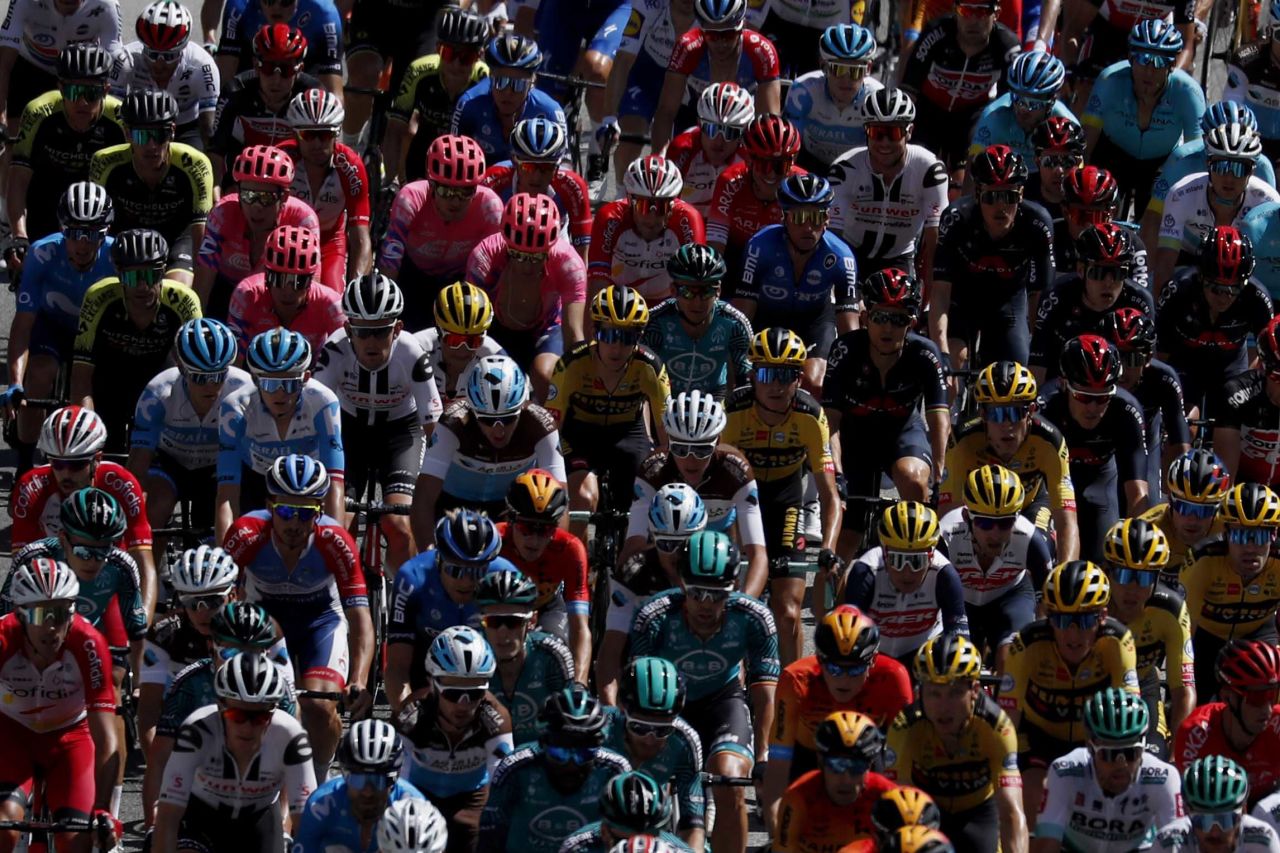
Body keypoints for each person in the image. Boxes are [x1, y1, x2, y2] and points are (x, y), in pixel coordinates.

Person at [222, 453, 372, 773]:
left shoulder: (336, 540)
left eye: (305, 514)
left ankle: (319, 774)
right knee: (255, 700)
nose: (294, 523)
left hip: (320, 620)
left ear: (319, 512)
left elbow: (360, 617)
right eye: (286, 511)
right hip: (264, 622)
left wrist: (358, 679)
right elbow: (222, 602)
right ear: (269, 506)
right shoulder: (246, 533)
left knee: (319, 706)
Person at [630, 530, 779, 853]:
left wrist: (765, 755)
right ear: (682, 583)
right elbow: (640, 689)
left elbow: (766, 694)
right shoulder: (654, 616)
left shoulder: (754, 617)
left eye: (717, 594)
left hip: (721, 701)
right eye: (696, 593)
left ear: (734, 588)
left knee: (729, 781)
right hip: (665, 707)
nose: (705, 605)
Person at [724, 328, 841, 660]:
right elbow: (716, 483)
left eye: (786, 375)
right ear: (752, 375)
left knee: (788, 610)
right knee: (729, 601)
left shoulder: (810, 415)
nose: (775, 385)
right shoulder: (733, 410)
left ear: (799, 379)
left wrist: (828, 551)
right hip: (739, 501)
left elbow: (829, 495)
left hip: (785, 503)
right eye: (766, 373)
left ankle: (790, 696)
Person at [313, 274, 441, 572]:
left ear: (397, 329)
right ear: (348, 328)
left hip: (399, 434)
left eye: (381, 332)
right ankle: (344, 594)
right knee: (340, 523)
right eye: (362, 331)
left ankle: (401, 598)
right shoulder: (334, 349)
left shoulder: (411, 352)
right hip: (349, 433)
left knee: (398, 524)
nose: (371, 342)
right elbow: (314, 413)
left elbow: (433, 427)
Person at [999, 561, 1140, 822]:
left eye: (1085, 620)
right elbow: (1008, 717)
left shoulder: (1117, 641)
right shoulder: (1027, 644)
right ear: (1048, 617)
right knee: (1034, 794)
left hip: (1096, 739)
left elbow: (1129, 713)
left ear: (1102, 617)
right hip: (1040, 737)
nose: (1072, 634)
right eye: (1062, 620)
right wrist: (1004, 771)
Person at [822, 268, 948, 556]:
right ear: (866, 319)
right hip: (855, 441)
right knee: (846, 538)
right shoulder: (845, 350)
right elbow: (831, 421)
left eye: (898, 319)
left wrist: (940, 477)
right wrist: (836, 473)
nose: (887, 328)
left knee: (914, 480)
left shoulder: (925, 355)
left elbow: (939, 418)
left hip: (902, 435)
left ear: (912, 323)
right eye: (880, 317)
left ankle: (912, 562)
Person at [142, 600, 295, 828]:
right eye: (231, 651)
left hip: (259, 800)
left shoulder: (278, 689)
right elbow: (160, 759)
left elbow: (291, 766)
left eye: (253, 652)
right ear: (212, 646)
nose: (241, 661)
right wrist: (154, 823)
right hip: (202, 796)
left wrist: (284, 825)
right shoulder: (189, 683)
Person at [0, 559, 118, 853]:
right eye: (41, 614)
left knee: (75, 841)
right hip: (11, 736)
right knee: (4, 828)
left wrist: (103, 809)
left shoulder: (89, 642)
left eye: (61, 613)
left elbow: (106, 736)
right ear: (20, 614)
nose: (52, 626)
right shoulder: (3, 638)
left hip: (71, 739)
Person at [153, 651, 317, 853]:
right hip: (202, 816)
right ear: (221, 706)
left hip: (259, 818)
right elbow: (168, 818)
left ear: (273, 711)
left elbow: (308, 826)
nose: (247, 727)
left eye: (260, 718)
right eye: (237, 715)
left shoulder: (291, 736)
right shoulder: (198, 730)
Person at [764, 606, 913, 827]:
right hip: (809, 757)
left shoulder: (893, 677)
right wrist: (776, 825)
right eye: (834, 669)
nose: (844, 679)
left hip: (867, 756)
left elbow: (905, 758)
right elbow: (778, 761)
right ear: (820, 661)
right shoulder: (796, 680)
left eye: (854, 670)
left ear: (872, 662)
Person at [4, 182, 115, 469]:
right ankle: (26, 464)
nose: (83, 244)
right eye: (74, 234)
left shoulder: (118, 258)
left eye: (93, 234)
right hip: (51, 325)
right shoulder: (42, 254)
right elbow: (23, 325)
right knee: (38, 375)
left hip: (95, 332)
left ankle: (85, 459)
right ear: (62, 229)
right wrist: (15, 384)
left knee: (87, 389)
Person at [547, 286, 670, 541]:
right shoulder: (571, 365)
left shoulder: (650, 367)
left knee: (643, 495)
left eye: (627, 338)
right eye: (609, 335)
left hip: (627, 433)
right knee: (583, 497)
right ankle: (579, 568)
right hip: (580, 435)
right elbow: (551, 430)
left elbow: (667, 438)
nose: (616, 347)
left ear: (639, 338)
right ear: (595, 332)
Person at [10, 406, 158, 613]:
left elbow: (144, 562)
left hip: (108, 576)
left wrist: (143, 621)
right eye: (58, 464)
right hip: (55, 579)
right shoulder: (30, 488)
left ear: (97, 459)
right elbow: (22, 567)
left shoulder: (121, 483)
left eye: (77, 465)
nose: (65, 474)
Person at [622, 390, 768, 600]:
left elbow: (757, 555)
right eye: (680, 449)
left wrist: (743, 602)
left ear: (717, 442)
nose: (691, 460)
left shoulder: (735, 469)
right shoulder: (653, 469)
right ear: (669, 441)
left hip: (719, 537)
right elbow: (634, 547)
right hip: (670, 544)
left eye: (701, 450)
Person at [886, 633, 1026, 853]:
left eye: (955, 693)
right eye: (934, 693)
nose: (943, 707)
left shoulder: (996, 725)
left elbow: (1011, 812)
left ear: (974, 691)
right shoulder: (905, 727)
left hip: (978, 812)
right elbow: (897, 806)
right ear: (920, 692)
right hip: (926, 810)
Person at [70, 228, 202, 453]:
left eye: (151, 275)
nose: (142, 286)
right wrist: (87, 434)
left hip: (160, 377)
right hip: (111, 377)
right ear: (119, 274)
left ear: (163, 272)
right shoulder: (98, 298)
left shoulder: (183, 300)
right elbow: (81, 377)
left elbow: (196, 373)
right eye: (132, 277)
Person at [939, 361, 1081, 561]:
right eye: (997, 414)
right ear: (983, 415)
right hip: (981, 512)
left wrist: (1064, 579)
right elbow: (948, 516)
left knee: (1040, 551)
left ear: (1031, 411)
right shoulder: (963, 441)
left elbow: (1066, 521)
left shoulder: (1050, 442)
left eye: (1016, 412)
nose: (1007, 424)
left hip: (1029, 504)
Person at [731, 173, 859, 394]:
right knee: (752, 379)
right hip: (767, 318)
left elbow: (850, 331)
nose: (808, 227)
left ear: (827, 218)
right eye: (799, 217)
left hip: (814, 322)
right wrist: (738, 365)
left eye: (816, 218)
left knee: (814, 384)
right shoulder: (760, 246)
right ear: (784, 217)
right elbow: (741, 316)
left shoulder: (841, 256)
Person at [930, 145, 1055, 367]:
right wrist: (942, 355)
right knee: (953, 362)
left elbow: (1039, 297)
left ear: (1021, 195)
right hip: (962, 300)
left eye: (1009, 196)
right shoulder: (956, 219)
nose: (1001, 206)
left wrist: (1037, 354)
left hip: (1008, 303)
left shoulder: (1037, 223)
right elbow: (940, 293)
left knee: (1016, 377)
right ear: (977, 194)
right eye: (991, 197)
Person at [412, 355, 564, 536]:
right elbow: (424, 498)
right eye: (487, 420)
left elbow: (559, 499)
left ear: (522, 406)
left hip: (508, 511)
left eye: (508, 419)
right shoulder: (454, 422)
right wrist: (428, 555)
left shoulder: (541, 425)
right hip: (452, 506)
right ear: (472, 409)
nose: (498, 431)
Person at [386, 510, 520, 715]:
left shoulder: (505, 576)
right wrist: (407, 718)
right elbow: (398, 667)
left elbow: (517, 661)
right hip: (425, 662)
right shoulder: (412, 579)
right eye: (456, 570)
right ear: (439, 560)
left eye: (477, 571)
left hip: (485, 669)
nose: (467, 581)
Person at [214, 329, 343, 539]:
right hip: (256, 480)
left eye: (290, 383)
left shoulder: (324, 402)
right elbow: (227, 494)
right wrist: (226, 559)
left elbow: (335, 484)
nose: (280, 393)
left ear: (306, 378)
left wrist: (335, 541)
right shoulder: (235, 407)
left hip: (308, 484)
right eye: (270, 384)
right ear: (255, 380)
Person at [397, 625, 513, 851]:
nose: (464, 704)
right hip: (420, 795)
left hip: (471, 799)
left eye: (475, 693)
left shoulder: (496, 718)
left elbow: (503, 788)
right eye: (453, 693)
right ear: (433, 684)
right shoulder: (410, 717)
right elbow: (398, 787)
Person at [6, 44, 124, 266]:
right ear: (60, 88)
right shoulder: (38, 112)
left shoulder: (121, 118)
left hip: (101, 211)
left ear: (106, 90)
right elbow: (19, 178)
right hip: (46, 201)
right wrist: (19, 236)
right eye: (73, 92)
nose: (82, 102)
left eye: (91, 93)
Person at [481, 685, 631, 853]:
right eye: (559, 753)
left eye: (584, 754)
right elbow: (490, 832)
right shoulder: (515, 768)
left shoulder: (616, 770)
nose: (571, 764)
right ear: (542, 743)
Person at [595, 485, 710, 704]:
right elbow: (611, 652)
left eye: (685, 544)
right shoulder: (634, 573)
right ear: (652, 538)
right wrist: (611, 711)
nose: (676, 554)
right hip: (651, 676)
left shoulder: (715, 567)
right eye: (666, 544)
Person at [1038, 334, 1149, 561]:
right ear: (1064, 384)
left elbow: (1137, 494)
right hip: (1049, 486)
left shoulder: (1126, 410)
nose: (1093, 407)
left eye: (1102, 398)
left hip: (1098, 482)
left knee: (1106, 559)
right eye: (1083, 396)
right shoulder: (1046, 406)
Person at [88, 88, 214, 286]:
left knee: (178, 287)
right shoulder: (105, 162)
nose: (152, 145)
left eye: (160, 134)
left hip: (178, 238)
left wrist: (199, 301)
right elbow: (93, 225)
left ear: (172, 131)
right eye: (142, 136)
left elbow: (201, 234)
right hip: (126, 237)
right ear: (127, 133)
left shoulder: (194, 164)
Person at [467, 192, 587, 397]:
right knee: (495, 381)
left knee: (547, 377)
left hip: (545, 328)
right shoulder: (486, 255)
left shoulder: (569, 263)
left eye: (537, 257)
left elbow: (574, 334)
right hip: (496, 328)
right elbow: (470, 324)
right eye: (518, 255)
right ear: (506, 243)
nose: (527, 266)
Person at [378, 133, 503, 330]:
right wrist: (383, 310)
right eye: (446, 191)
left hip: (461, 282)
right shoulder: (410, 199)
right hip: (413, 278)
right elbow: (390, 261)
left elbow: (492, 271)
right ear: (432, 184)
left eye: (465, 192)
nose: (455, 201)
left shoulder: (490, 207)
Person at [1081, 19, 1205, 217]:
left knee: (1153, 223)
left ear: (1172, 64)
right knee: (1099, 215)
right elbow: (1085, 144)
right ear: (1130, 57)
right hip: (1113, 154)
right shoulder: (1110, 81)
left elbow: (1196, 155)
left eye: (1159, 63)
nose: (1149, 71)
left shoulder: (1188, 92)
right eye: (1143, 59)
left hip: (1160, 162)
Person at [1034, 687, 1182, 852]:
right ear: (1090, 748)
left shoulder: (1163, 778)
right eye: (1110, 755)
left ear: (1143, 749)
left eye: (1130, 753)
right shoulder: (1065, 773)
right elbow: (1046, 844)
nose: (1121, 764)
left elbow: (1176, 847)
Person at [938, 464, 1053, 673]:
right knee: (956, 662)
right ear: (967, 518)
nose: (996, 533)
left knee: (1012, 662)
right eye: (985, 523)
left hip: (1011, 597)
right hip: (961, 601)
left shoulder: (1028, 538)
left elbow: (1048, 599)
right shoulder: (946, 534)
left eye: (1006, 523)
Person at [828, 88, 948, 285]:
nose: (884, 143)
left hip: (899, 258)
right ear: (866, 130)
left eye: (892, 133)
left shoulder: (929, 169)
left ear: (909, 132)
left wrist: (930, 298)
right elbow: (832, 237)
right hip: (849, 253)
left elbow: (935, 240)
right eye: (877, 132)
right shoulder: (845, 168)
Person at [1155, 225, 1274, 419]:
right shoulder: (1179, 289)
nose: (1223, 297)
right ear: (1201, 277)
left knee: (1239, 417)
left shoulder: (1257, 297)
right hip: (1184, 363)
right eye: (1215, 287)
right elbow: (1160, 353)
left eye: (1233, 289)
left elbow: (1267, 357)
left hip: (1231, 365)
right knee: (1183, 418)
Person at [195, 143, 321, 321]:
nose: (256, 207)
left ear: (284, 197)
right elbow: (203, 284)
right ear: (238, 193)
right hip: (225, 289)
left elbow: (310, 290)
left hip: (277, 296)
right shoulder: (222, 213)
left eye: (266, 198)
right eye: (249, 196)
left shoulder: (303, 220)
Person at [1151, 123, 1280, 296]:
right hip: (1189, 254)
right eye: (1221, 166)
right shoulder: (1182, 194)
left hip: (1238, 268)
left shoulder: (1267, 200)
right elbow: (1165, 263)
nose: (1229, 177)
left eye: (1239, 168)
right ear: (1208, 165)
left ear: (1252, 171)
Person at [1179, 483, 1280, 702]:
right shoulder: (1203, 561)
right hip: (1208, 638)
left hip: (1259, 634)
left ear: (1274, 536)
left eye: (1261, 536)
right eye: (1242, 536)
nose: (1251, 548)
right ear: (1225, 534)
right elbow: (1186, 633)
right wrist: (1182, 687)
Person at [1101, 518, 1195, 753]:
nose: (1133, 589)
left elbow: (1183, 691)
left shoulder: (1170, 610)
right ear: (1108, 573)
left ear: (1157, 579)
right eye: (1124, 575)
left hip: (1144, 687)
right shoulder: (1089, 604)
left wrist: (1177, 754)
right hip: (1092, 688)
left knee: (1156, 759)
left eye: (1144, 578)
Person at [135, 545, 237, 753]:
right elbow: (149, 713)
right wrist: (159, 773)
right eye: (192, 602)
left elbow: (285, 704)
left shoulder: (257, 628)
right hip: (187, 725)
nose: (203, 612)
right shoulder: (164, 633)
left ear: (233, 595)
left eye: (214, 601)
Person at [899, 0, 1020, 175]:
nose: (972, 20)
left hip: (970, 116)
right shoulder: (936, 32)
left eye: (981, 12)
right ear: (956, 11)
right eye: (966, 11)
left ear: (997, 14)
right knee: (917, 168)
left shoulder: (1007, 45)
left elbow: (1007, 104)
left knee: (966, 173)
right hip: (929, 112)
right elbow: (909, 87)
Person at [841, 501, 970, 664]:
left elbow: (959, 638)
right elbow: (847, 637)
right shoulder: (866, 572)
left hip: (923, 656)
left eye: (918, 561)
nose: (907, 572)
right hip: (874, 655)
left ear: (931, 556)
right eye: (897, 559)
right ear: (885, 553)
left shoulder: (944, 574)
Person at [1141, 102, 1276, 255]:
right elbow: (1153, 217)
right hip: (1185, 246)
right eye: (1217, 138)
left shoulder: (1263, 167)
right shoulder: (1182, 159)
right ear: (1205, 137)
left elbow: (1267, 230)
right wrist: (1146, 273)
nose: (1230, 147)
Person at [648, 0, 781, 154]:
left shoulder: (761, 51)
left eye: (728, 34)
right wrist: (659, 158)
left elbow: (768, 121)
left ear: (742, 26)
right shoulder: (688, 47)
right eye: (712, 35)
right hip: (695, 116)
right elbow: (666, 111)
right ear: (702, 29)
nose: (720, 43)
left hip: (741, 125)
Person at [1028, 225, 1155, 385]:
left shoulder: (1140, 300)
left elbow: (1147, 368)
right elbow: (1037, 365)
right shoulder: (1056, 297)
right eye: (1098, 273)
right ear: (1081, 270)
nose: (1109, 283)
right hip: (1067, 383)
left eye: (1118, 273)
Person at [601, 657, 706, 850]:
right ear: (623, 709)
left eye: (662, 730)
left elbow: (693, 824)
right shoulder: (600, 730)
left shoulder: (684, 740)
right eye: (639, 727)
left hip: (650, 832)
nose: (649, 739)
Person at [497, 471, 590, 677]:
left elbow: (580, 628)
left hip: (548, 605)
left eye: (546, 530)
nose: (535, 540)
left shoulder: (570, 549)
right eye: (526, 528)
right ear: (511, 520)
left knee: (557, 654)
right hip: (500, 610)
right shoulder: (494, 542)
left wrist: (579, 683)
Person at [383, 6, 490, 185]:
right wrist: (391, 180)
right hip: (423, 155)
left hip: (469, 162)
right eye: (448, 53)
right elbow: (395, 130)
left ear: (479, 56)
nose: (456, 64)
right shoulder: (419, 71)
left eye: (466, 57)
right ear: (437, 48)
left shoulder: (484, 80)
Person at [279, 88, 371, 289]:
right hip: (284, 242)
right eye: (308, 135)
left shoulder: (351, 167)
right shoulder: (281, 160)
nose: (317, 143)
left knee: (335, 301)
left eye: (325, 135)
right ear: (295, 133)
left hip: (328, 242)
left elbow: (360, 237)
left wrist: (356, 288)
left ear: (337, 133)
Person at [207, 24, 323, 183]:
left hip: (294, 181)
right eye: (268, 68)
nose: (276, 80)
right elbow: (216, 154)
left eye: (286, 70)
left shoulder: (312, 95)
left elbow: (323, 156)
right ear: (255, 65)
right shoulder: (235, 92)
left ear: (300, 69)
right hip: (242, 178)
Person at [293, 719, 428, 853]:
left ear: (394, 779)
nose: (367, 792)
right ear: (345, 775)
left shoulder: (414, 808)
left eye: (377, 780)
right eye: (358, 779)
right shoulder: (321, 805)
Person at [1175, 640, 1280, 808]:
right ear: (1227, 697)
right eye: (1257, 698)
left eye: (1272, 696)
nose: (1267, 708)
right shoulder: (1194, 735)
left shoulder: (1277, 724)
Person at [475, 569, 574, 746]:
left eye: (513, 622)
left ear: (532, 621)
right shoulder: (469, 658)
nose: (503, 632)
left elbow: (574, 723)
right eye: (493, 622)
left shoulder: (552, 656)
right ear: (481, 622)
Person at [705, 113, 805, 289]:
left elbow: (807, 247)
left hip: (782, 259)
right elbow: (716, 246)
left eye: (780, 166)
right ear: (749, 160)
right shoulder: (730, 181)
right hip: (735, 256)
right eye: (764, 165)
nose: (772, 174)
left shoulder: (802, 185)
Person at [589, 154, 705, 305]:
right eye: (643, 206)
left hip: (668, 307)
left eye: (661, 207)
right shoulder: (610, 218)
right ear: (630, 201)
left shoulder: (688, 219)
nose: (652, 217)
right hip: (618, 303)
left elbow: (697, 284)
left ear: (672, 205)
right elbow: (597, 284)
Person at [641, 243, 753, 398]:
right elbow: (638, 376)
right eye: (687, 292)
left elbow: (746, 382)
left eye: (706, 292)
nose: (697, 302)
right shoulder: (655, 322)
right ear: (673, 290)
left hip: (713, 400)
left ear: (718, 291)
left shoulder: (734, 323)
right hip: (664, 399)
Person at [771, 711, 897, 849]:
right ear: (821, 763)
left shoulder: (888, 797)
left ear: (869, 767)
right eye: (837, 765)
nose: (846, 779)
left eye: (857, 767)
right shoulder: (799, 797)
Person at [0, 0, 121, 134]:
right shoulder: (25, 2)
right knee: (13, 136)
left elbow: (114, 63)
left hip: (78, 74)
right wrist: (1, 115)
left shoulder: (105, 4)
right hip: (31, 67)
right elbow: (4, 63)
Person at [109, 1, 219, 148]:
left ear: (183, 49)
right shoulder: (126, 59)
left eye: (168, 56)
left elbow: (209, 127)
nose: (159, 65)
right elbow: (112, 117)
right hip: (140, 127)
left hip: (185, 127)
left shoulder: (202, 64)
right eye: (152, 54)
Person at [481, 118, 592, 260]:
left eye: (546, 167)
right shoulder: (493, 179)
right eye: (529, 167)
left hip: (554, 245)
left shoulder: (572, 185)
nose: (537, 176)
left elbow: (582, 251)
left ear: (558, 166)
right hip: (502, 243)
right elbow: (477, 239)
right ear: (515, 162)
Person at [1102, 308, 1189, 488]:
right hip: (1101, 454)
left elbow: (1180, 443)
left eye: (1133, 359)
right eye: (1115, 357)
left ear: (1148, 358)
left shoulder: (1163, 379)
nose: (1122, 369)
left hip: (1144, 447)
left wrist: (1173, 495)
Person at [227, 224, 345, 355]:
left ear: (311, 279)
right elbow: (234, 365)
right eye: (278, 279)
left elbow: (346, 361)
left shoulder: (331, 304)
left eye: (299, 282)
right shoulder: (246, 294)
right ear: (266, 274)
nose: (288, 291)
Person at [450, 33, 566, 164]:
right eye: (501, 82)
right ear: (490, 76)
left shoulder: (551, 111)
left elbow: (564, 165)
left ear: (532, 82)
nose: (508, 92)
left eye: (518, 84)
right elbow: (452, 160)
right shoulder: (468, 103)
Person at [783, 23, 883, 173]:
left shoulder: (876, 97)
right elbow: (788, 149)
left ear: (868, 70)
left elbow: (882, 156)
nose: (846, 80)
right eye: (838, 69)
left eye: (855, 72)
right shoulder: (803, 91)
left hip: (859, 169)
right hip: (810, 162)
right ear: (824, 66)